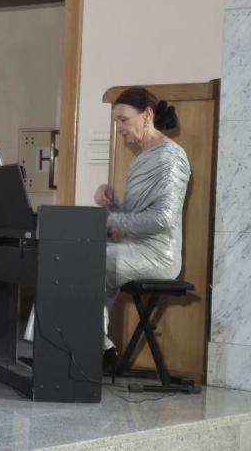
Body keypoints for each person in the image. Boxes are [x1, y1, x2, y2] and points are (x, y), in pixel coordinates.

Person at [94, 87, 191, 370]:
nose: (119, 129)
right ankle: (79, 346)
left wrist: (111, 220)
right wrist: (112, 204)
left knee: (90, 261)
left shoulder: (171, 157)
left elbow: (162, 219)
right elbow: (135, 218)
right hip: (136, 248)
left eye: (123, 120)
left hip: (159, 255)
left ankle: (95, 349)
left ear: (147, 115)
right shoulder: (140, 159)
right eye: (116, 123)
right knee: (77, 256)